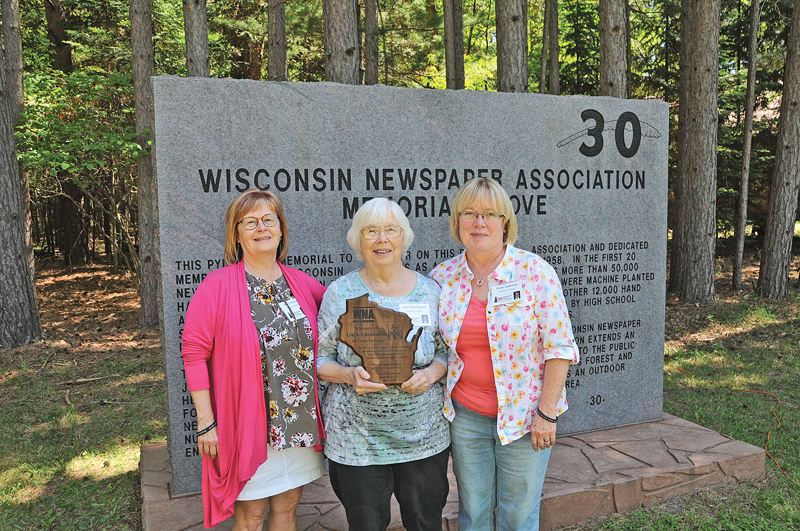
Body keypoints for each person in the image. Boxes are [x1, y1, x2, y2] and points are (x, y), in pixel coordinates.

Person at [429, 178, 580, 531]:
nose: (479, 223)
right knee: (474, 513)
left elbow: (559, 348)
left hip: (526, 418)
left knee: (518, 515)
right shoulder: (442, 278)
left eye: (489, 214)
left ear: (505, 223)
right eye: (469, 214)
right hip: (466, 417)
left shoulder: (534, 273)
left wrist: (546, 413)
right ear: (457, 222)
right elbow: (434, 348)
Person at [181, 190, 327, 530]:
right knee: (250, 516)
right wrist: (206, 422)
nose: (261, 228)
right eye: (250, 222)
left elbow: (340, 321)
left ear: (280, 229)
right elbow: (193, 354)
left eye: (268, 220)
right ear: (236, 233)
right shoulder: (216, 287)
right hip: (247, 426)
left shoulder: (302, 284)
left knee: (288, 508)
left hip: (297, 424)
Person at [316, 198, 450, 531]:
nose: (382, 239)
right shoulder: (340, 293)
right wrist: (348, 375)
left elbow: (448, 353)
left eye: (391, 230)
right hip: (356, 441)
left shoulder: (432, 292)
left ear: (404, 237)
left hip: (423, 437)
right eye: (371, 231)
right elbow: (319, 360)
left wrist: (432, 373)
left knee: (425, 522)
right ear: (358, 240)